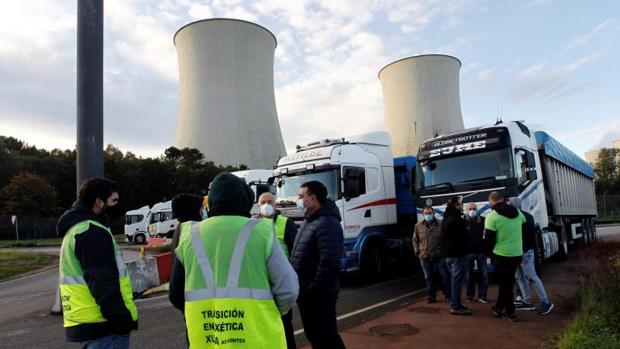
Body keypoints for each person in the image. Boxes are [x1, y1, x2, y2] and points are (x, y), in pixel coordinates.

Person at [169, 173, 299, 348]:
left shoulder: (189, 236)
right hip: (257, 340)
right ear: (245, 200)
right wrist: (271, 313)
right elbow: (288, 288)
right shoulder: (262, 232)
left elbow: (176, 293)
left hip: (208, 340)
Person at [57, 178, 138, 348]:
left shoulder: (78, 229)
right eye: (114, 201)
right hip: (105, 328)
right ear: (99, 202)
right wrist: (122, 318)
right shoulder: (92, 232)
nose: (118, 206)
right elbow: (102, 282)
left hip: (93, 325)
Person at [290, 181, 346, 349]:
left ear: (313, 198)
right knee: (316, 336)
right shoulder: (310, 220)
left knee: (326, 337)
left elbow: (329, 262)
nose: (298, 200)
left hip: (318, 295)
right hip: (307, 293)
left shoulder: (327, 223)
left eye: (301, 196)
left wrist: (312, 289)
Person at [257, 192, 299, 349]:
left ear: (275, 205)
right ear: (259, 205)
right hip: (261, 283)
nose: (266, 205)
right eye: (263, 202)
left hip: (280, 281)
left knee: (285, 326)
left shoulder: (286, 223)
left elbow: (295, 251)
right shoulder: (252, 225)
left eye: (270, 202)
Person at [507, 197, 554, 315]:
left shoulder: (518, 218)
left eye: (508, 204)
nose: (506, 206)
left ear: (513, 205)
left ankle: (546, 302)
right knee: (521, 277)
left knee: (530, 277)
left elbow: (525, 236)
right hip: (519, 252)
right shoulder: (528, 216)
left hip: (523, 252)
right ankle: (527, 301)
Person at [484, 191, 525, 322]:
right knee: (507, 282)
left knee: (506, 284)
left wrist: (490, 255)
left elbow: (489, 240)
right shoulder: (518, 213)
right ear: (503, 199)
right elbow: (525, 225)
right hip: (517, 253)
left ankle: (511, 312)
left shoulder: (492, 216)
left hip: (501, 255)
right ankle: (498, 307)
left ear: (491, 202)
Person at [413, 206, 451, 304]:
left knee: (444, 276)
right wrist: (417, 251)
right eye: (426, 213)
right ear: (423, 214)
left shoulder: (440, 224)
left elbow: (446, 239)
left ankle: (448, 295)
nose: (428, 215)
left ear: (433, 213)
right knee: (428, 277)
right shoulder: (418, 226)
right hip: (424, 255)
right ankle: (431, 296)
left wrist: (444, 252)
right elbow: (415, 239)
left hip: (439, 255)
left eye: (429, 213)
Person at [441, 196, 472, 315]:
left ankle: (456, 303)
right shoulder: (458, 220)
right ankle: (455, 306)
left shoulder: (446, 219)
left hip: (448, 255)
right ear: (455, 206)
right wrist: (468, 246)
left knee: (454, 280)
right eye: (460, 204)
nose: (461, 206)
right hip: (458, 255)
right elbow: (463, 237)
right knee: (457, 281)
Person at [464, 202, 489, 304]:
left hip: (481, 252)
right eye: (470, 209)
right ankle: (470, 296)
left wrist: (486, 249)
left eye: (474, 209)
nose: (472, 211)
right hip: (468, 253)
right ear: (466, 210)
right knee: (469, 276)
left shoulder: (483, 220)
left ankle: (482, 296)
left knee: (484, 275)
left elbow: (487, 235)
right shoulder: (462, 222)